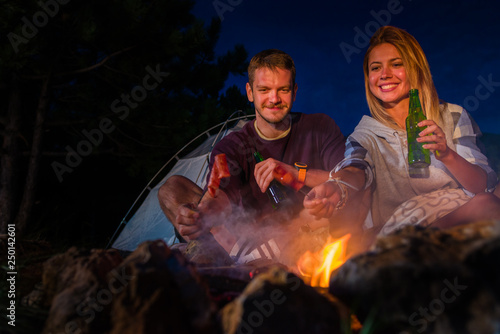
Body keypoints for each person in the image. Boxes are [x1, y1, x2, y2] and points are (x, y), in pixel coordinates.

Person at [304, 26, 500, 239]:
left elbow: (483, 185)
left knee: (488, 200)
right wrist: (339, 187)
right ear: (368, 78)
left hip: (461, 210)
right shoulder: (365, 135)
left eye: (396, 65)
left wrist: (448, 155)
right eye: (375, 68)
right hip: (404, 234)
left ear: (415, 68)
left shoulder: (452, 116)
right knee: (485, 206)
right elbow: (356, 168)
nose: (385, 75)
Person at [158, 49, 346, 264]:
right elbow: (218, 194)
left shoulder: (319, 126)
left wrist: (296, 174)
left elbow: (347, 178)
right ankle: (234, 255)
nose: (273, 99)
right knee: (171, 189)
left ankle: (244, 258)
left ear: (294, 92)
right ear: (250, 92)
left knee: (322, 208)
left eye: (282, 90)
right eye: (264, 89)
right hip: (246, 236)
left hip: (304, 229)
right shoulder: (231, 145)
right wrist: (199, 215)